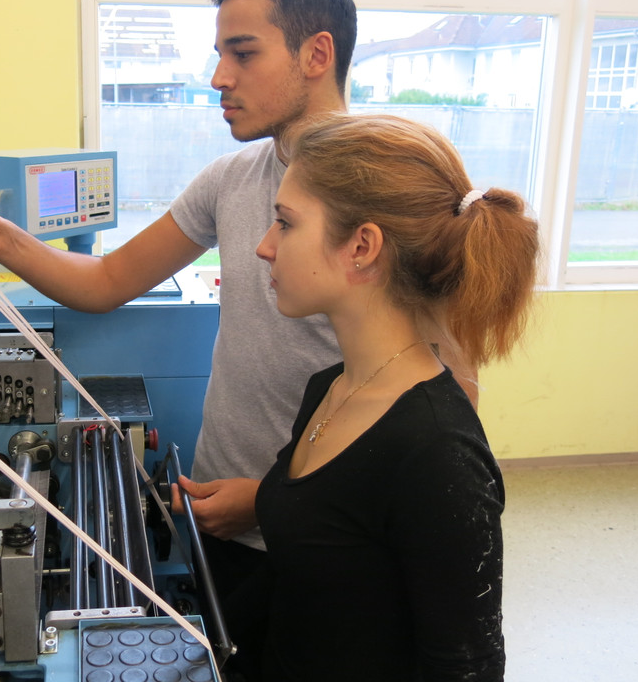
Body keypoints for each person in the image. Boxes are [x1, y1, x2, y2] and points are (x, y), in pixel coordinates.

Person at [0, 0, 472, 598]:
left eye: (243, 53)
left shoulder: (390, 196)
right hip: (218, 511)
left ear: (316, 54)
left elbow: (447, 407)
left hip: (326, 536)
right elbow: (107, 279)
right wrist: (3, 240)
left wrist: (267, 501)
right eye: (219, 54)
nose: (218, 78)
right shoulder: (229, 181)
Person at [228, 111, 538, 681]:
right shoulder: (330, 386)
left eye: (286, 223)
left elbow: (464, 667)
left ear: (362, 246)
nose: (265, 247)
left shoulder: (437, 452)